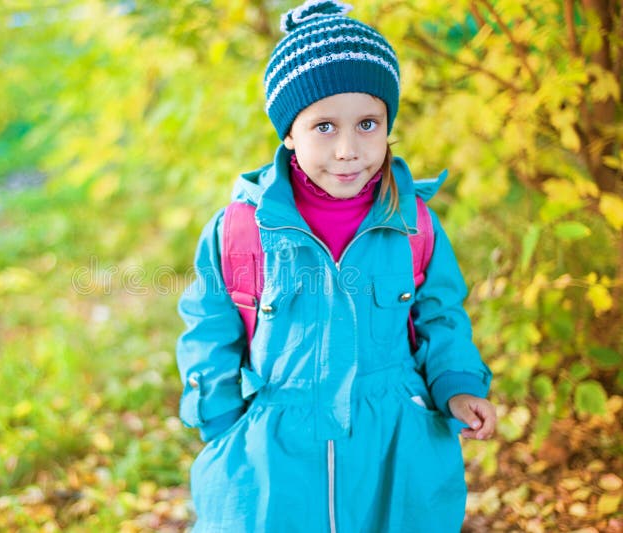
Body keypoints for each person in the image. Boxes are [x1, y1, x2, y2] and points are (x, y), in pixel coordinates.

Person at [175, 1, 496, 531]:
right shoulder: (241, 229)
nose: (349, 149)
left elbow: (441, 317)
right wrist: (219, 414)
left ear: (388, 124)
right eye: (324, 126)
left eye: (367, 123)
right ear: (288, 134)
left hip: (392, 439)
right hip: (274, 445)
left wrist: (457, 386)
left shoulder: (413, 223)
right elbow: (209, 322)